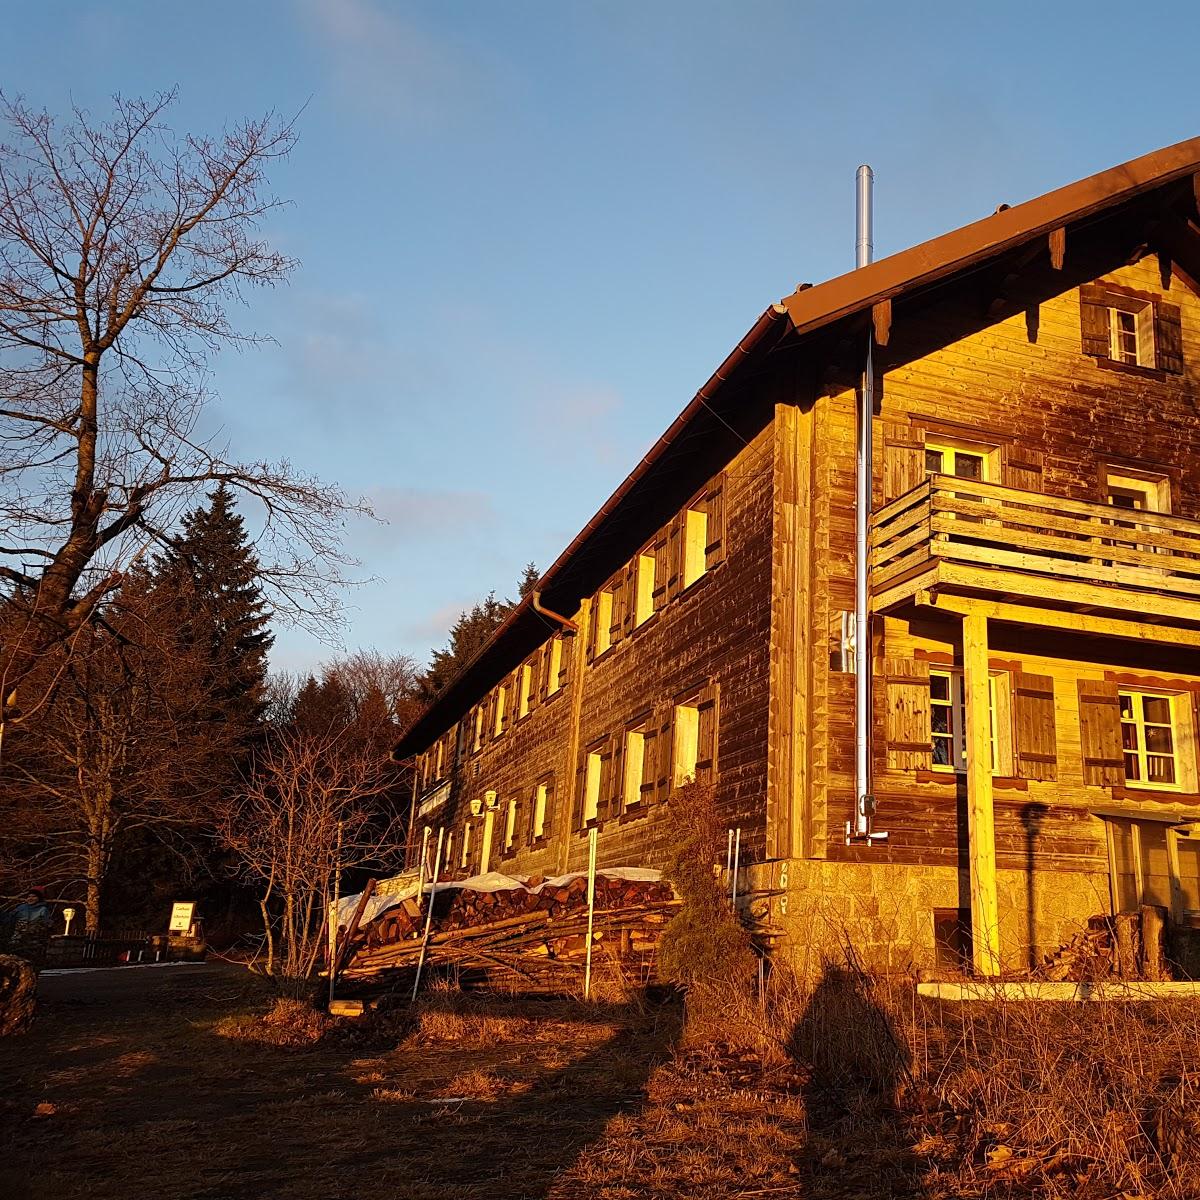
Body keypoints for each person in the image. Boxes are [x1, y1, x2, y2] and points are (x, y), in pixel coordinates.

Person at [2, 887, 54, 970]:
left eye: (34, 896)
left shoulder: (43, 909)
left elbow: (47, 924)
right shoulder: (21, 908)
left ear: (39, 898)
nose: (31, 898)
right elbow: (9, 919)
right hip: (18, 938)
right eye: (29, 896)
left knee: (31, 962)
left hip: (34, 940)